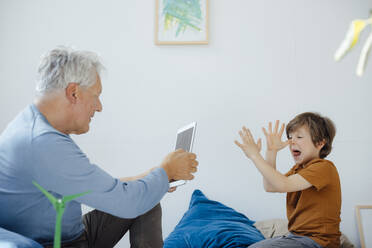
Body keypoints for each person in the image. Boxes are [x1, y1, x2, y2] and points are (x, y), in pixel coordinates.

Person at [0, 47, 198, 248]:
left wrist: (152, 176)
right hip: (60, 243)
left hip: (71, 233)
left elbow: (96, 187)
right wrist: (166, 172)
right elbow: (127, 202)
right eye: (96, 95)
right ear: (74, 92)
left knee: (148, 200)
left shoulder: (31, 125)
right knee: (141, 201)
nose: (99, 106)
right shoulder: (43, 143)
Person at [234, 113, 341, 248]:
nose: (292, 142)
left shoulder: (324, 167)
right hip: (296, 237)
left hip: (318, 242)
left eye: (299, 137)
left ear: (320, 143)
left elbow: (283, 184)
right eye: (290, 137)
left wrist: (255, 156)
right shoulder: (298, 168)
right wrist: (271, 152)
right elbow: (270, 186)